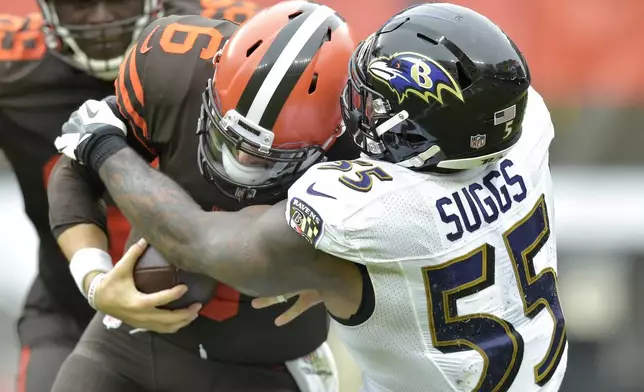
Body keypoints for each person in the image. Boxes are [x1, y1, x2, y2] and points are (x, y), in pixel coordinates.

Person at [54, 3, 569, 392]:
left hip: (281, 362)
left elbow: (196, 241)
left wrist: (101, 145)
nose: (358, 105)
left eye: (372, 98)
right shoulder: (520, 128)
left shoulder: (373, 208)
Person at [47, 1, 359, 391]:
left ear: (335, 132)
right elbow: (77, 167)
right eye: (227, 137)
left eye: (266, 156)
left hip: (272, 361)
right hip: (131, 340)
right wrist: (95, 281)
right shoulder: (173, 68)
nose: (241, 159)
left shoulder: (364, 140)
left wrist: (352, 270)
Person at [0, 0, 251, 391]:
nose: (101, 20)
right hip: (72, 309)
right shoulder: (15, 65)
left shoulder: (235, 37)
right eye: (79, 4)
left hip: (217, 322)